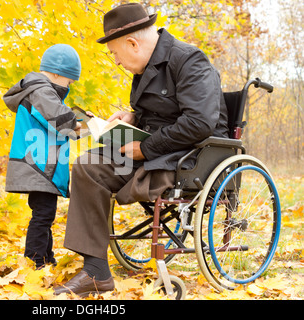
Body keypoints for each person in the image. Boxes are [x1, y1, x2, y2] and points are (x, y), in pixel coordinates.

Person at [54, 3, 228, 296]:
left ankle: (95, 271)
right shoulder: (145, 68)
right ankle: (95, 271)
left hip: (190, 158)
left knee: (106, 163)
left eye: (115, 53)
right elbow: (157, 114)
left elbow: (199, 123)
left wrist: (146, 147)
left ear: (132, 43)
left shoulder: (189, 61)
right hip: (156, 149)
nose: (116, 62)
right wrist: (132, 117)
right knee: (87, 165)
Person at [3, 44, 82, 269]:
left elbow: (55, 123)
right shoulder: (41, 90)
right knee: (43, 215)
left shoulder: (40, 92)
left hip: (40, 166)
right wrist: (79, 125)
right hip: (39, 167)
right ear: (57, 73)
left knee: (44, 214)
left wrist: (82, 125)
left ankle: (46, 258)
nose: (70, 85)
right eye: (70, 80)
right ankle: (34, 261)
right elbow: (60, 119)